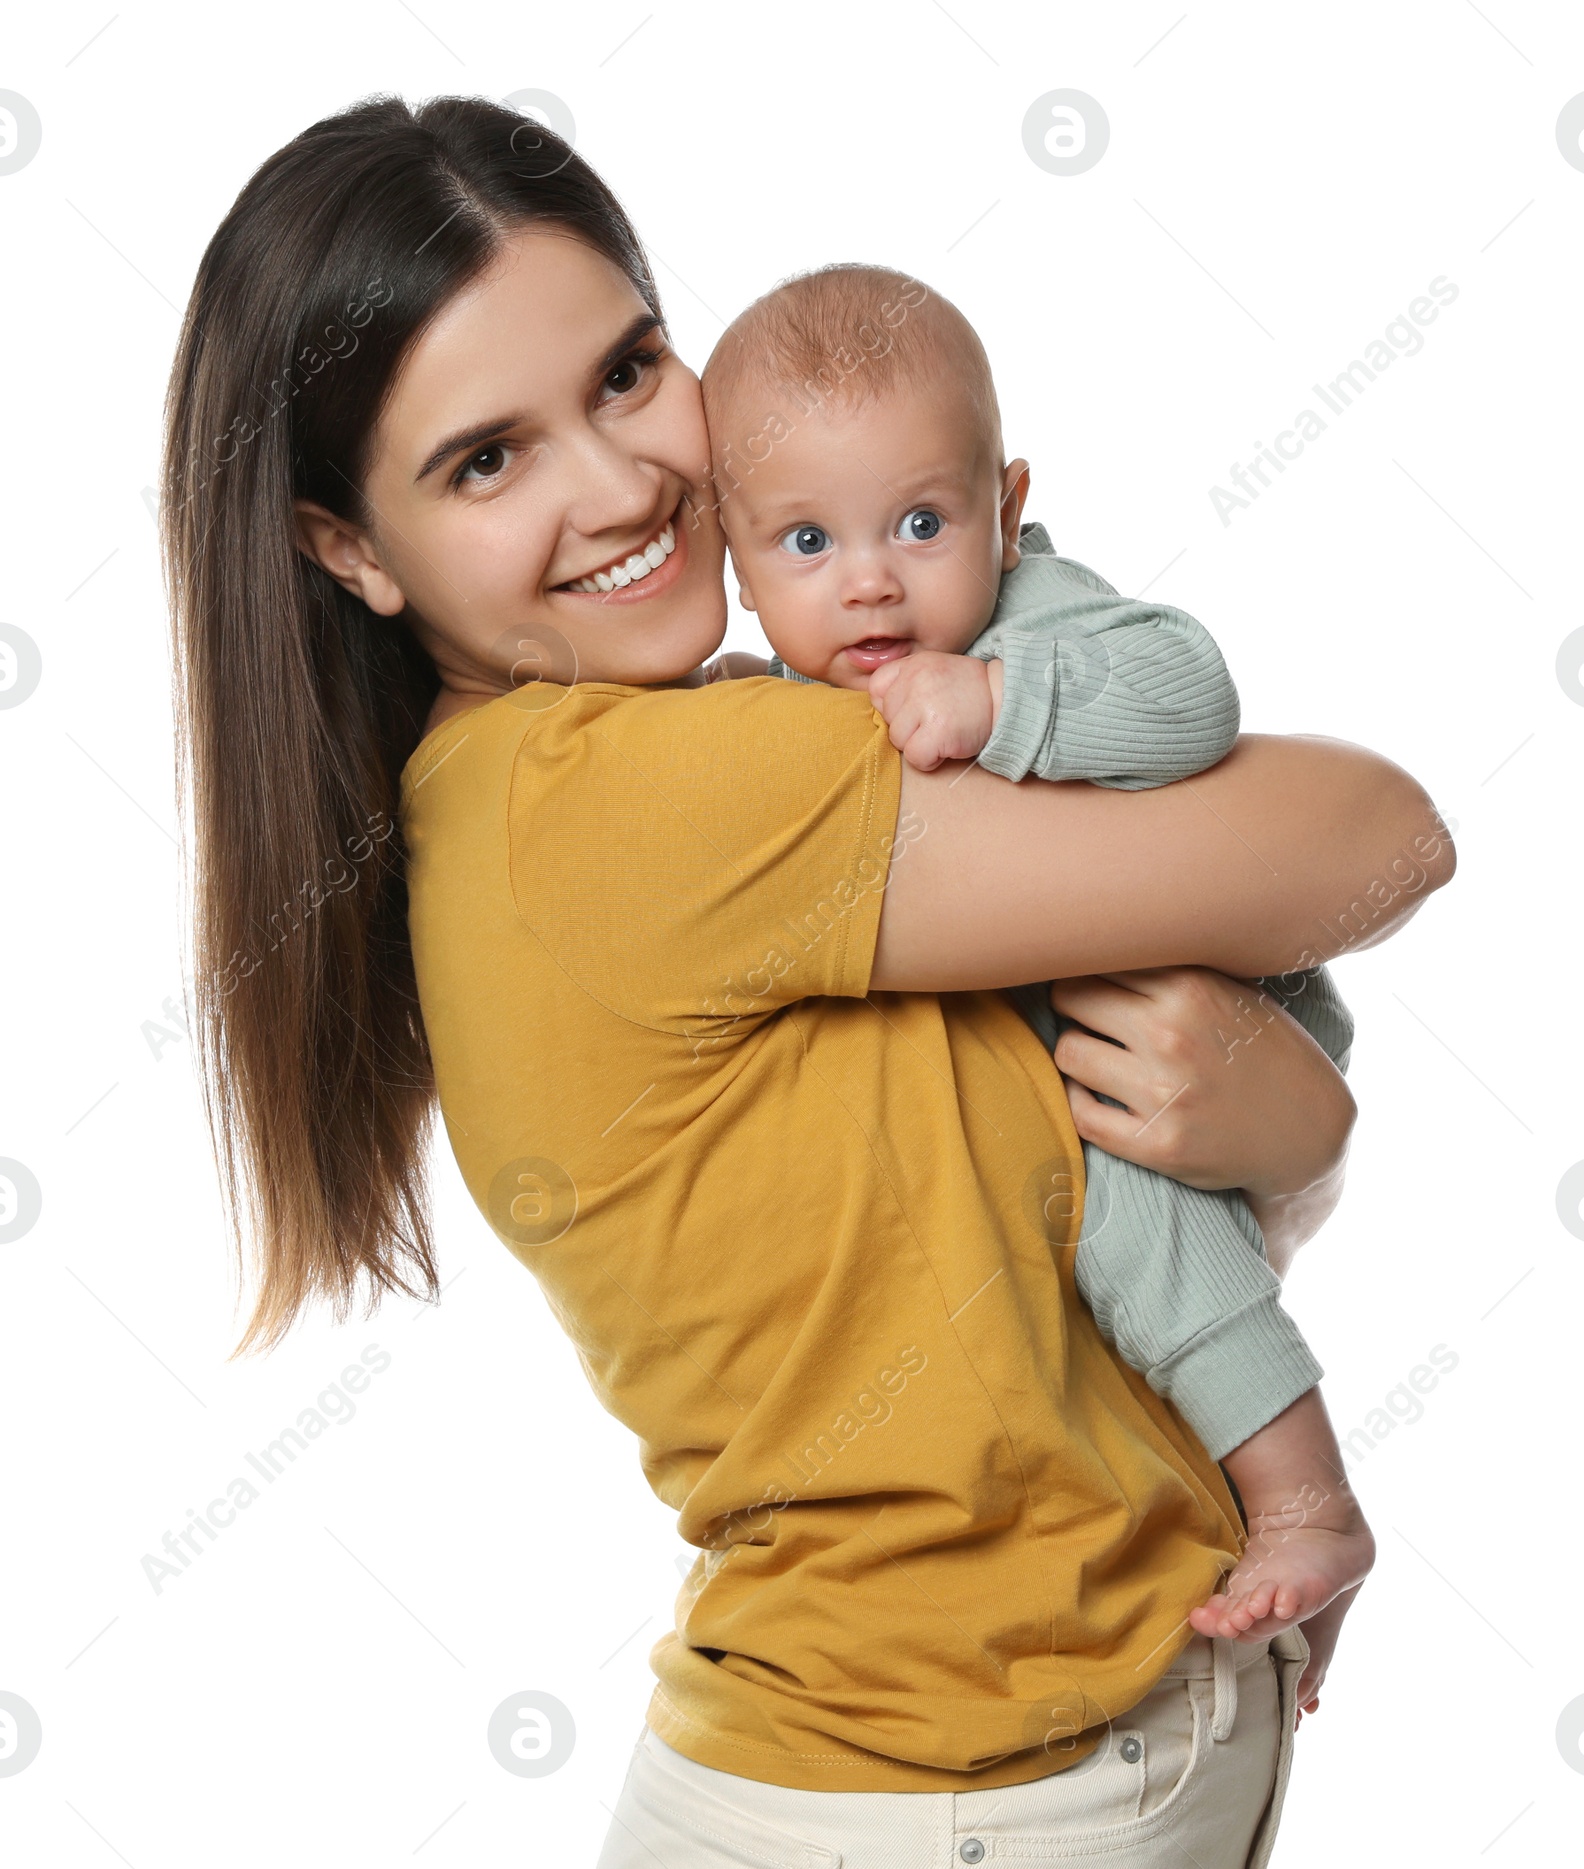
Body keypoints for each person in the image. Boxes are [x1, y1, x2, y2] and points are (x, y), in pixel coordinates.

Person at [161, 96, 1454, 1867]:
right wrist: (1291, 1107)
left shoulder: (604, 771)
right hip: (951, 1799)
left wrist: (1289, 1132)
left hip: (944, 1776)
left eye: (627, 373)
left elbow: (1062, 1217)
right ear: (349, 550)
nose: (619, 487)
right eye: (486, 460)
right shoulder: (633, 799)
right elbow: (1380, 837)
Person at [699, 261, 1373, 1681]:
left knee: (1128, 1215)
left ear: (1005, 507)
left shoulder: (1039, 616)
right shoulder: (774, 711)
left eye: (922, 522)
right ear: (736, 564)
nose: (870, 577)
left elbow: (1195, 691)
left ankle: (1310, 1500)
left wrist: (1004, 699)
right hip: (1087, 1055)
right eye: (807, 539)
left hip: (1195, 1019)